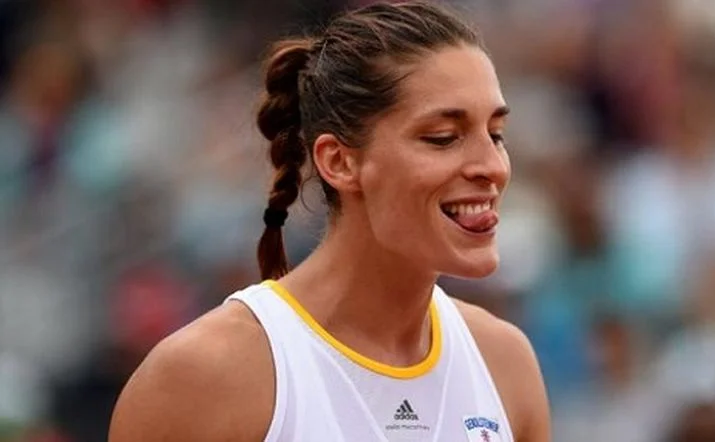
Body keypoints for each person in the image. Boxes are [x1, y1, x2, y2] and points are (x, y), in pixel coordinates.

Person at [109, 1, 550, 441]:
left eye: (496, 135)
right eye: (443, 138)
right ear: (339, 162)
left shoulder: (506, 363)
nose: (492, 167)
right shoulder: (203, 377)